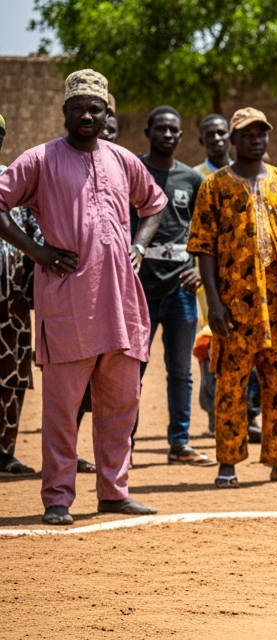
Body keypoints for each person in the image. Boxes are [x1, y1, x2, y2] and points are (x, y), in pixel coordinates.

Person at [0, 69, 168, 525]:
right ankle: (57, 497)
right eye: (78, 109)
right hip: (67, 303)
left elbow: (154, 204)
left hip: (121, 303)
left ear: (106, 112)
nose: (87, 115)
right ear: (65, 113)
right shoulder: (39, 159)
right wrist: (36, 249)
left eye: (95, 108)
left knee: (120, 405)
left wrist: (139, 246)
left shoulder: (122, 159)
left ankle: (114, 491)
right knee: (62, 410)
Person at [189, 107, 277, 489]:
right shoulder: (214, 186)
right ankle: (228, 462)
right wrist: (213, 303)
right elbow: (204, 249)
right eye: (247, 133)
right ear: (233, 139)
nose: (256, 139)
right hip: (234, 305)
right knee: (230, 384)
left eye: (261, 132)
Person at [135, 106, 215, 467]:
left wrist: (200, 269)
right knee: (131, 370)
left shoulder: (191, 180)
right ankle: (125, 442)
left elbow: (207, 233)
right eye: (161, 129)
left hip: (181, 289)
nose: (167, 135)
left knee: (180, 371)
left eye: (173, 130)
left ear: (181, 137)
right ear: (148, 131)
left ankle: (179, 442)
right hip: (138, 290)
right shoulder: (133, 172)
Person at [0, 112, 38, 475]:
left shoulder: (13, 180)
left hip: (12, 300)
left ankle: (5, 450)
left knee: (12, 374)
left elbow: (34, 232)